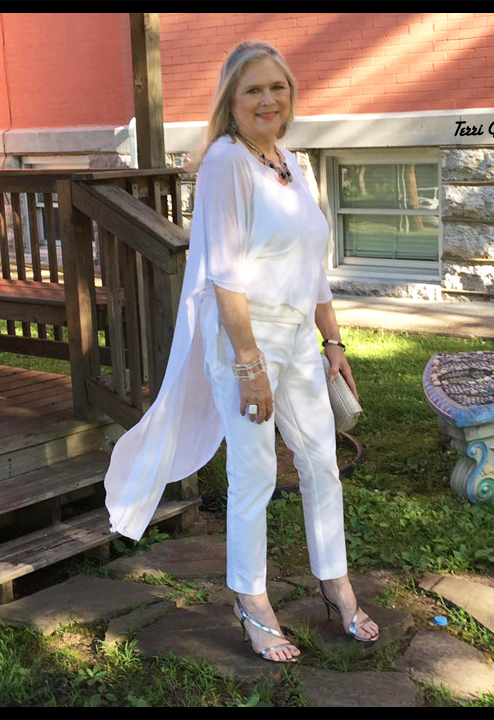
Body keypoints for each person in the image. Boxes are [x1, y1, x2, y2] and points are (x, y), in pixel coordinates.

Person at [104, 40, 379, 664]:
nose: (267, 99)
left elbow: (312, 265)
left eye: (277, 87)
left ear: (290, 96)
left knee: (322, 464)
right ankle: (251, 599)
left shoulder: (291, 161)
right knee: (255, 473)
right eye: (253, 88)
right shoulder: (226, 162)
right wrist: (250, 364)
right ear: (231, 99)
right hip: (244, 340)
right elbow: (225, 275)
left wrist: (333, 339)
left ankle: (335, 583)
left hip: (299, 339)